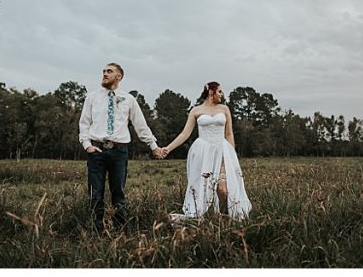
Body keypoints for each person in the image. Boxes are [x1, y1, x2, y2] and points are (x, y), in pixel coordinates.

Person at [78, 63, 161, 231]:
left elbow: (140, 125)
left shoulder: (129, 99)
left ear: (119, 76)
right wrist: (87, 145)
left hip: (119, 151)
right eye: (103, 71)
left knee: (119, 194)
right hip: (97, 150)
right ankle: (96, 231)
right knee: (95, 194)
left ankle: (120, 231)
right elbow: (84, 123)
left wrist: (153, 146)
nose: (105, 74)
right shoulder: (92, 97)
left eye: (109, 71)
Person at [159, 81, 251, 220]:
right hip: (202, 152)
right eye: (219, 91)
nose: (222, 94)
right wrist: (168, 148)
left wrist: (231, 155)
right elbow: (185, 134)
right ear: (210, 91)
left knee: (223, 189)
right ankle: (213, 218)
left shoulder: (224, 109)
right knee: (204, 188)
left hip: (222, 150)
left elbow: (229, 134)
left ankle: (227, 216)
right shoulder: (196, 110)